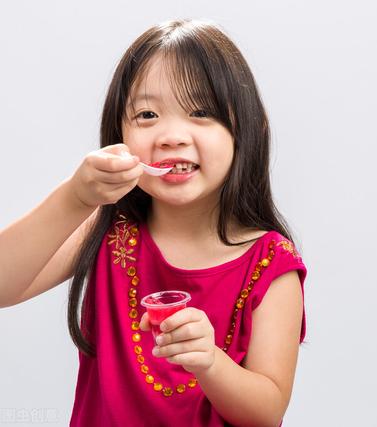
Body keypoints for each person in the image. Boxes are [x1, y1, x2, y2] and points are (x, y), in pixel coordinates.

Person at [0, 19, 307, 426]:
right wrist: (75, 198)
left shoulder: (271, 263)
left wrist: (209, 363)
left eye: (201, 112)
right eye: (147, 114)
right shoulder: (108, 230)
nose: (171, 135)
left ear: (246, 131)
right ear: (118, 135)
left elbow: (266, 413)